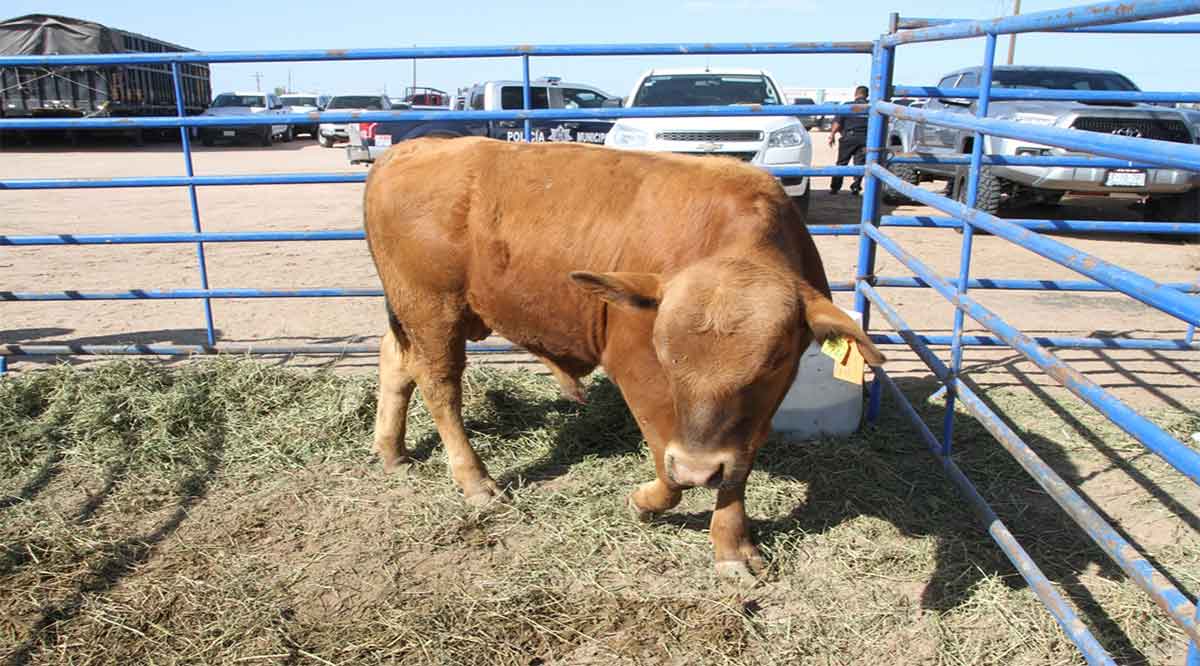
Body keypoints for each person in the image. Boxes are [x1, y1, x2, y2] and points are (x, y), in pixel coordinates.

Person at [828, 85, 869, 195]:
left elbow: (837, 122)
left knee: (841, 163)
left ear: (855, 94)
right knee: (859, 164)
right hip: (865, 139)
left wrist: (832, 135)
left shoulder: (847, 106)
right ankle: (856, 187)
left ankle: (835, 188)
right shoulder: (870, 107)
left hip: (849, 138)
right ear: (867, 95)